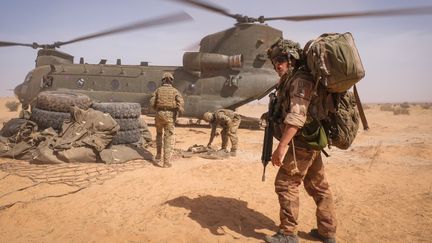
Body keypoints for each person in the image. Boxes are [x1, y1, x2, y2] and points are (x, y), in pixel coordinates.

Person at [264, 39, 337, 243]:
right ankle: (327, 232)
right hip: (310, 141)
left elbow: (297, 117)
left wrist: (281, 147)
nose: (277, 65)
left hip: (303, 143)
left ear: (291, 58)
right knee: (319, 187)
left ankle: (288, 234)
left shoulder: (300, 80)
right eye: (275, 62)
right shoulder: (292, 79)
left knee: (285, 183)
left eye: (281, 60)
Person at [150, 72, 184, 168]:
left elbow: (152, 103)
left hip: (159, 115)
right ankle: (166, 162)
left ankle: (158, 155)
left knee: (159, 134)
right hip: (170, 116)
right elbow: (180, 103)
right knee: (168, 137)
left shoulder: (158, 90)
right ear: (171, 80)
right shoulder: (175, 91)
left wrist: (158, 110)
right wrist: (178, 112)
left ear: (163, 80)